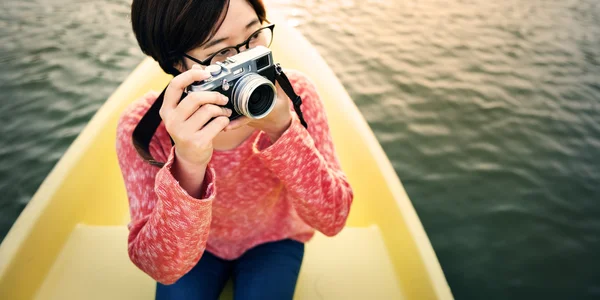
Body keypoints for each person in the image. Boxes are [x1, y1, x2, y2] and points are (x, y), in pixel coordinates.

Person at [116, 0, 354, 299]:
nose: (245, 60)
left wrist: (282, 129)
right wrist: (188, 164)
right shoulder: (144, 128)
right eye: (221, 52)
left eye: (254, 36)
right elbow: (161, 267)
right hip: (196, 247)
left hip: (274, 239)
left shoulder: (296, 94)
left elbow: (333, 218)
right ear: (176, 62)